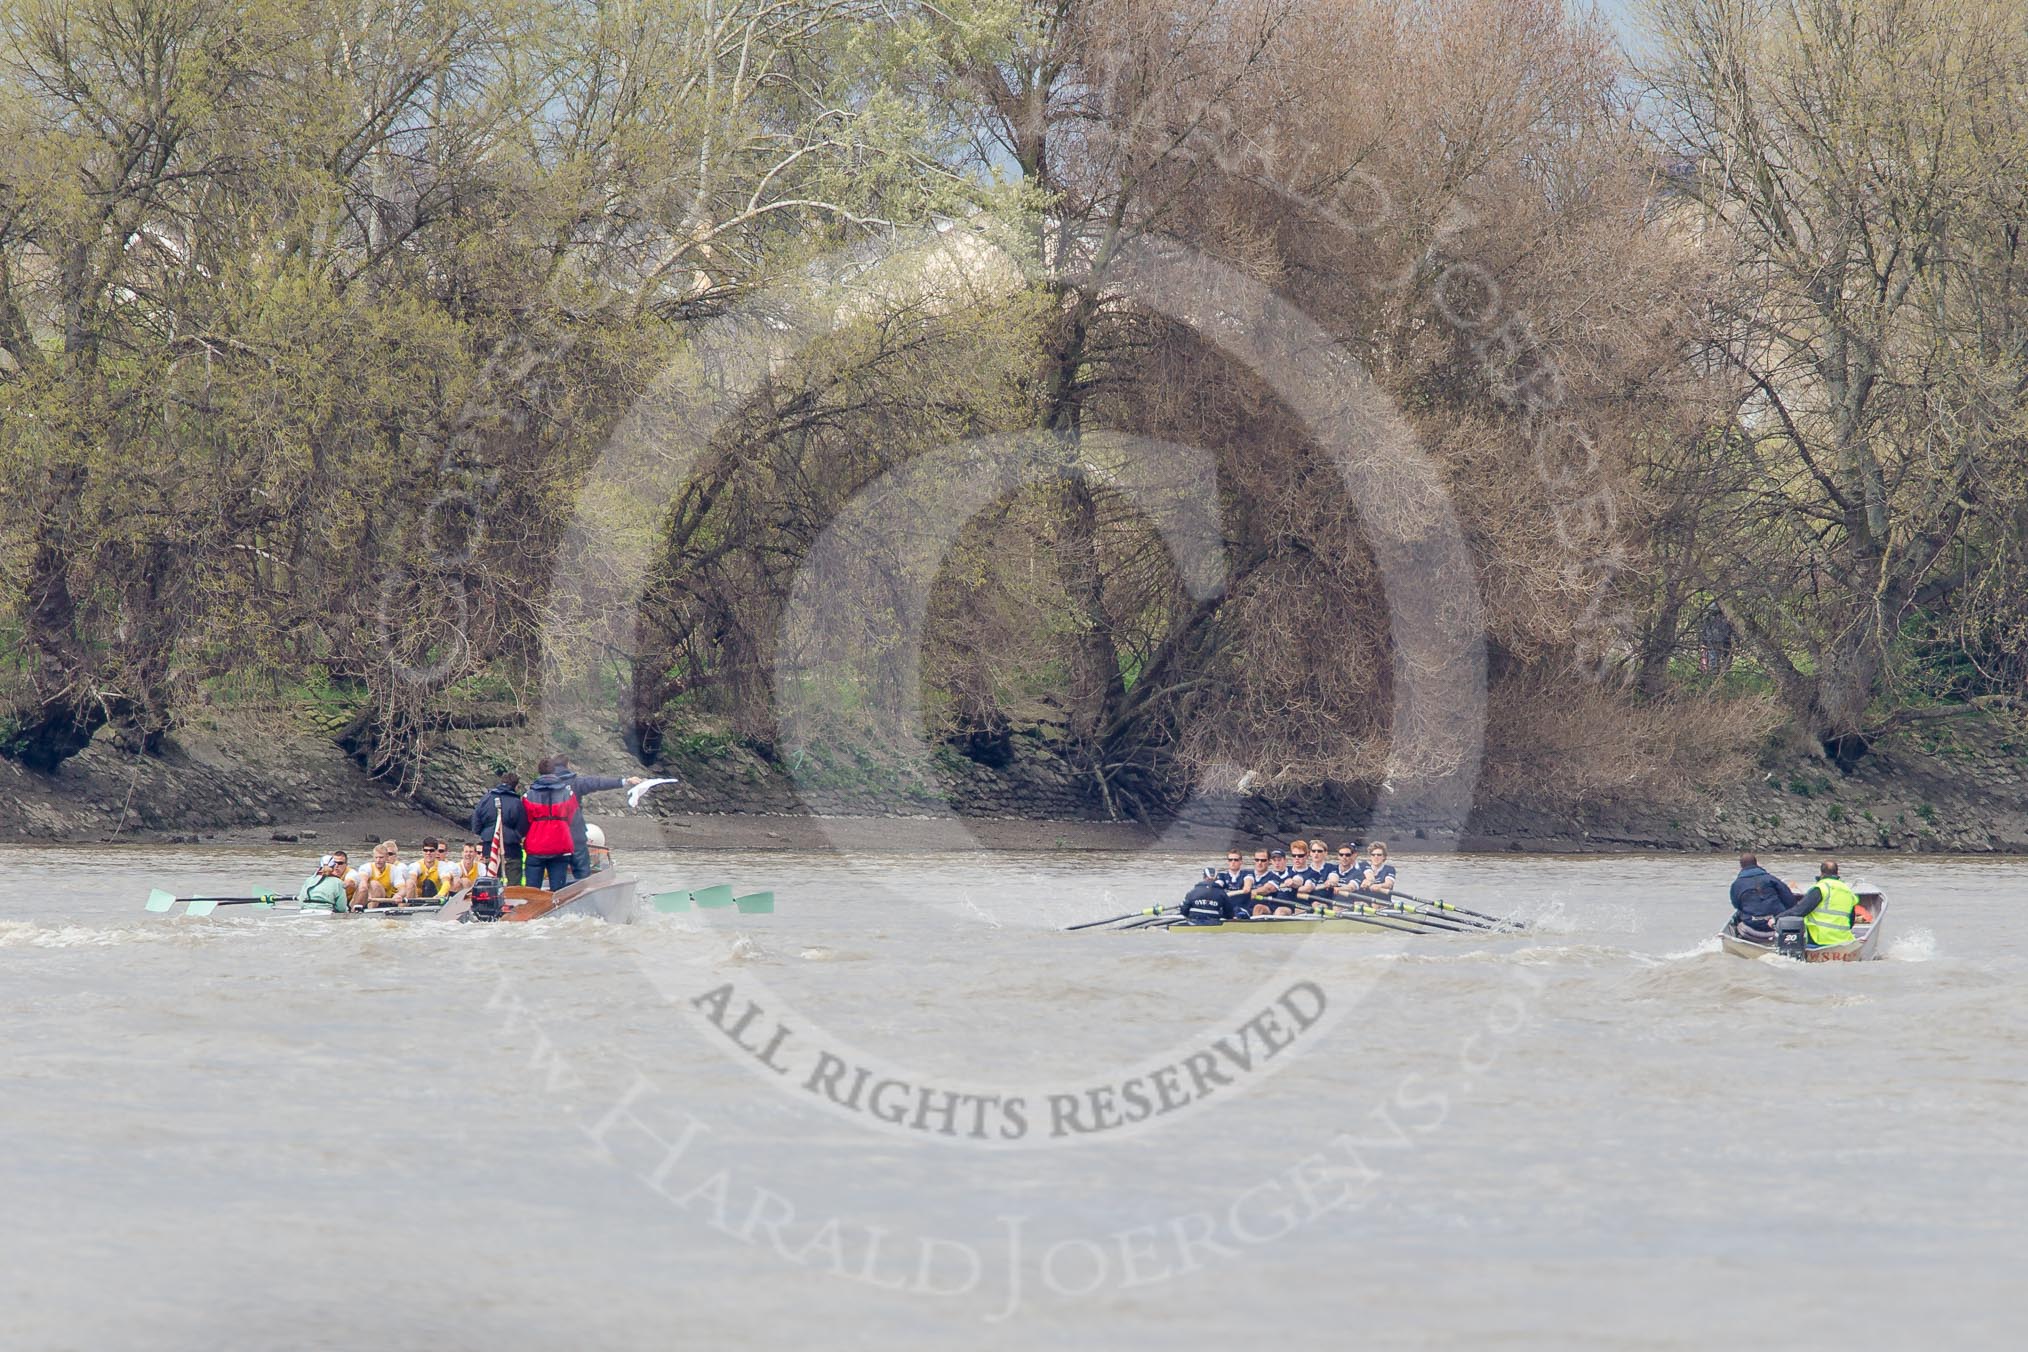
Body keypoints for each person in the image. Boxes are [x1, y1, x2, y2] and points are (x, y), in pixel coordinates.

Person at [521, 755, 644, 890]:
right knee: (582, 880)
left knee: (533, 888)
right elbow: (597, 783)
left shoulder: (532, 793)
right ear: (567, 766)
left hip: (540, 843)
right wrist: (624, 781)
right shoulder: (573, 786)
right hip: (571, 839)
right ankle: (586, 899)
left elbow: (524, 820)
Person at [1778, 859, 1861, 949]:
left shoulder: (1820, 888)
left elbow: (1799, 911)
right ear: (1837, 873)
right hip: (1843, 941)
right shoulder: (1848, 891)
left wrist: (1776, 919)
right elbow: (1851, 921)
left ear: (1821, 873)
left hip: (1819, 940)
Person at [470, 772, 527, 885]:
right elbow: (523, 828)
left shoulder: (485, 799)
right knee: (513, 888)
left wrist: (486, 834)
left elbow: (476, 825)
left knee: (491, 885)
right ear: (516, 787)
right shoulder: (517, 803)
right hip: (511, 849)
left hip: (489, 848)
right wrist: (514, 836)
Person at [1728, 852, 1797, 939]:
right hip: (1776, 922)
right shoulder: (1771, 879)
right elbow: (1790, 900)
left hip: (1752, 924)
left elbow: (1736, 905)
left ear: (1741, 866)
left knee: (1739, 919)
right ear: (1756, 863)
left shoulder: (1736, 885)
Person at [348, 841, 406, 909]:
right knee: (371, 885)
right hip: (365, 898)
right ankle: (353, 910)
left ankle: (371, 911)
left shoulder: (394, 869)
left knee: (375, 885)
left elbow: (403, 889)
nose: (378, 860)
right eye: (376, 857)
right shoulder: (366, 867)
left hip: (384, 900)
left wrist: (399, 895)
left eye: (381, 857)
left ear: (387, 857)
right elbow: (363, 883)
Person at [402, 837, 458, 902]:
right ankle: (404, 907)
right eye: (425, 850)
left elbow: (446, 883)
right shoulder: (416, 865)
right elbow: (412, 879)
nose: (428, 853)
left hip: (436, 898)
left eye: (431, 850)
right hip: (417, 898)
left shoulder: (442, 866)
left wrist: (439, 895)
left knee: (429, 883)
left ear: (436, 851)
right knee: (410, 882)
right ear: (422, 851)